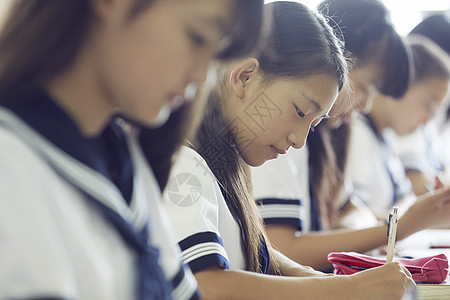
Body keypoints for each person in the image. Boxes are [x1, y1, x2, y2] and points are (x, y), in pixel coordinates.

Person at [0, 0, 265, 299]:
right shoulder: (11, 165)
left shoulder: (121, 155)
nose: (202, 76)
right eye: (197, 37)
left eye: (215, 54)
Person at [162, 2, 416, 299]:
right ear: (245, 76)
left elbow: (256, 248)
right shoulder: (186, 165)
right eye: (299, 111)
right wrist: (344, 289)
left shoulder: (229, 162)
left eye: (313, 124)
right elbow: (204, 284)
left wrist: (305, 275)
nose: (299, 141)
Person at [251, 0, 436, 271]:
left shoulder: (324, 139)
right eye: (363, 87)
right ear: (336, 60)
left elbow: (352, 210)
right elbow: (282, 249)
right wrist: (397, 229)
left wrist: (354, 230)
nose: (365, 105)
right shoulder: (283, 135)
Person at [347, 35, 450, 218]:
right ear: (402, 83)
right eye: (428, 106)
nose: (426, 121)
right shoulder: (356, 134)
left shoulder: (383, 138)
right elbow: (352, 217)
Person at [384, 14, 450, 196]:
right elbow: (419, 186)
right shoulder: (401, 125)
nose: (428, 117)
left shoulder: (419, 124)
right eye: (429, 105)